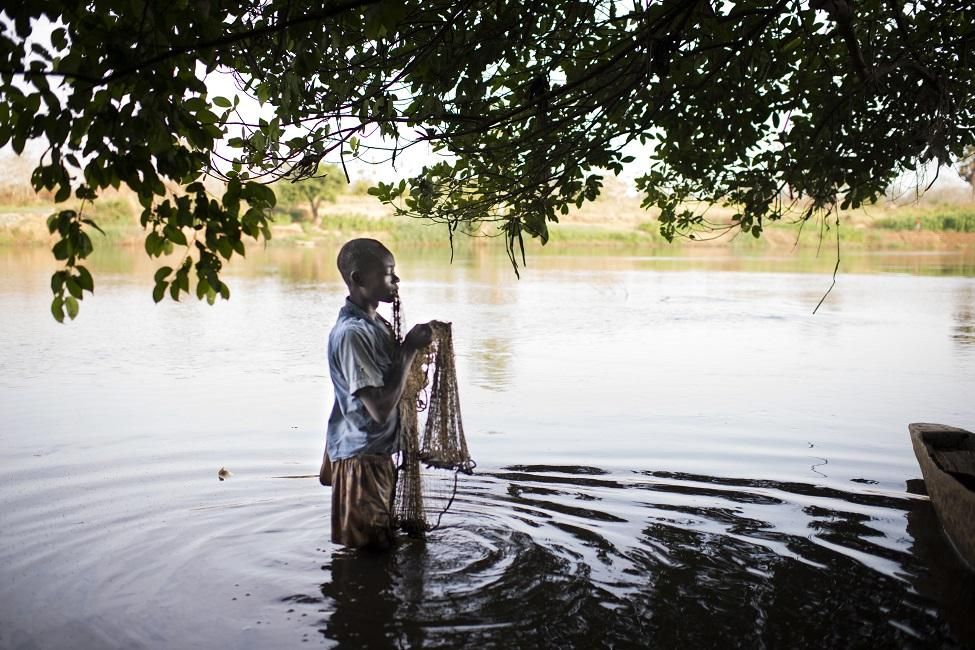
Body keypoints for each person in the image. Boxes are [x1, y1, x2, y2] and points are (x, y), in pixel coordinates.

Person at [321, 238, 432, 549]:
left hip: (372, 458)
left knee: (377, 553)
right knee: (369, 559)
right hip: (362, 465)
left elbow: (343, 399)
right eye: (388, 273)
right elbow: (380, 409)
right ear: (358, 279)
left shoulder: (375, 324)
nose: (396, 280)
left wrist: (328, 459)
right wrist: (409, 350)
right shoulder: (353, 334)